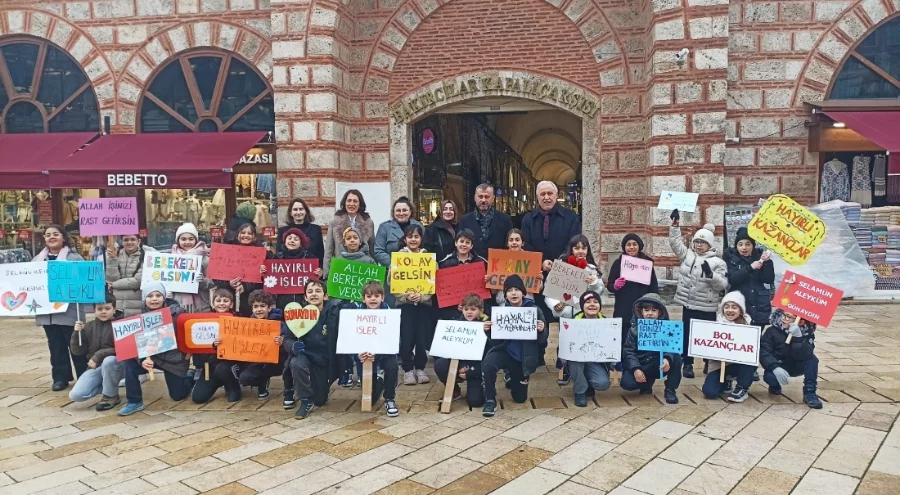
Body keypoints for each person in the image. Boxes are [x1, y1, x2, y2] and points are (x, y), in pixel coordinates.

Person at [119, 282, 191, 416]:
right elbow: (133, 345)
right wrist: (141, 361)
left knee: (178, 396)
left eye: (158, 295)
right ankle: (134, 401)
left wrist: (188, 352)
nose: (154, 299)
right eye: (150, 296)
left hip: (174, 360)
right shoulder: (139, 318)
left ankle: (190, 377)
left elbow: (189, 331)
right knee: (130, 362)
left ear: (164, 297)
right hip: (153, 358)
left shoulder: (177, 313)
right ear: (144, 299)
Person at [670, 216, 727, 379]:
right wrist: (675, 226)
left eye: (702, 243)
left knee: (706, 336)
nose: (699, 245)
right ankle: (687, 363)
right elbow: (675, 244)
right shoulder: (688, 255)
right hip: (688, 304)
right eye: (697, 242)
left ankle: (709, 362)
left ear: (709, 245)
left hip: (707, 306)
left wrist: (711, 275)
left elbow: (722, 284)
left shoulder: (718, 262)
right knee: (687, 334)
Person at [481, 275, 547, 417]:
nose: (513, 293)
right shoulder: (500, 312)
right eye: (509, 290)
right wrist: (488, 330)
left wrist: (542, 330)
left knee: (520, 399)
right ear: (505, 295)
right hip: (505, 352)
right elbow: (496, 341)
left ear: (523, 292)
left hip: (523, 358)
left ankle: (513, 378)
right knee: (488, 363)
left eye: (517, 289)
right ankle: (490, 399)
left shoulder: (535, 311)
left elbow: (543, 341)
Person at [33, 224, 89, 391]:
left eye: (55, 234)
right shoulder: (37, 260)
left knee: (76, 345)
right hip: (47, 312)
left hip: (70, 310)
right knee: (55, 346)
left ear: (63, 237)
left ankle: (84, 377)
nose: (51, 237)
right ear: (44, 239)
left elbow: (84, 282)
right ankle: (60, 378)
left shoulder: (75, 259)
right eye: (48, 234)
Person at [521, 181, 580, 331]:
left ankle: (565, 354)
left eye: (550, 194)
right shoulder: (528, 219)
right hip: (537, 275)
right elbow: (525, 244)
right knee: (538, 321)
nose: (546, 197)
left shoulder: (570, 217)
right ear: (537, 197)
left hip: (564, 275)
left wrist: (557, 262)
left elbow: (574, 242)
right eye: (542, 194)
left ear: (556, 195)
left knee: (566, 321)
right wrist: (541, 262)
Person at [546, 234, 603, 384]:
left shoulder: (591, 269)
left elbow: (598, 293)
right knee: (565, 341)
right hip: (565, 313)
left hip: (584, 315)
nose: (580, 251)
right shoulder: (561, 267)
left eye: (583, 248)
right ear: (571, 249)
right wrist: (554, 305)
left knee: (582, 341)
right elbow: (549, 290)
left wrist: (594, 282)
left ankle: (583, 369)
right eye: (576, 248)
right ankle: (563, 369)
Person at [283, 279, 339, 418]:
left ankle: (313, 390)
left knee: (320, 400)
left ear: (325, 296)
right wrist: (292, 346)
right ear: (305, 297)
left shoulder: (334, 313)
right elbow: (286, 339)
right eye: (310, 291)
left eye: (318, 291)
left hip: (323, 360)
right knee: (296, 363)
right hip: (304, 355)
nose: (314, 294)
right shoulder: (297, 314)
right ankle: (304, 400)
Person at [333, 226, 377, 387]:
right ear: (344, 242)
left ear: (360, 241)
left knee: (362, 342)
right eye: (349, 238)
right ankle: (346, 373)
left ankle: (362, 372)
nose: (352, 240)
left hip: (364, 309)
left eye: (355, 237)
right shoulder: (338, 262)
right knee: (347, 341)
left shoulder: (369, 260)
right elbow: (335, 287)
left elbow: (375, 285)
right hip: (344, 307)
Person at [621, 293, 681, 404]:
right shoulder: (634, 329)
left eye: (654, 310)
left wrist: (667, 358)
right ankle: (646, 383)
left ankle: (670, 390)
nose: (650, 313)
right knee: (627, 384)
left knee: (676, 358)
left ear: (659, 313)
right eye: (647, 310)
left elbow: (673, 347)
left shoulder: (668, 328)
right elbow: (628, 351)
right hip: (642, 363)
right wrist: (636, 369)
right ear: (641, 312)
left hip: (659, 364)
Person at [352, 281, 400, 417]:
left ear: (382, 298)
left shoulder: (390, 315)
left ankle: (390, 398)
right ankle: (378, 380)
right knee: (370, 398)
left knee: (392, 365)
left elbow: (396, 340)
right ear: (363, 299)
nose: (373, 299)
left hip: (385, 355)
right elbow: (349, 339)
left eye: (376, 296)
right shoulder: (355, 315)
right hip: (364, 357)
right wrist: (357, 355)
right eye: (369, 296)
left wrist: (378, 354)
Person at [433, 293, 490, 407]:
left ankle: (482, 387)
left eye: (473, 309)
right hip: (458, 364)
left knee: (476, 402)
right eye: (466, 309)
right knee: (440, 364)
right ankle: (455, 390)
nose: (469, 312)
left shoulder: (486, 327)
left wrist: (471, 371)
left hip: (476, 368)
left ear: (481, 310)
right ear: (461, 309)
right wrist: (460, 367)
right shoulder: (456, 325)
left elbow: (487, 359)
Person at [395, 225, 434, 385]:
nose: (413, 239)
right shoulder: (398, 258)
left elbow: (433, 281)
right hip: (405, 306)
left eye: (416, 236)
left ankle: (420, 368)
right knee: (407, 337)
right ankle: (407, 369)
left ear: (421, 240)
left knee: (421, 338)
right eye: (410, 236)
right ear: (405, 239)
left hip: (423, 306)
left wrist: (423, 297)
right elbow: (393, 282)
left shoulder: (428, 259)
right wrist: (406, 297)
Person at [701, 291, 757, 403]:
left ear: (741, 310)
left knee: (749, 361)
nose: (730, 310)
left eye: (734, 307)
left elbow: (753, 351)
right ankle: (726, 381)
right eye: (726, 307)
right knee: (709, 392)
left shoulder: (749, 325)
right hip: (718, 364)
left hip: (739, 364)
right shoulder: (714, 324)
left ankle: (742, 388)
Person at [761, 309, 823, 409]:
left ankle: (810, 393)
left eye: (789, 317)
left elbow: (807, 354)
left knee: (812, 360)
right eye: (783, 315)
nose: (784, 319)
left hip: (797, 364)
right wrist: (774, 367)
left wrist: (798, 338)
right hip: (779, 364)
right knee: (769, 377)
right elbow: (764, 352)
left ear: (801, 321)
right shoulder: (772, 331)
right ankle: (774, 386)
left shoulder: (807, 332)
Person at [69, 295, 121, 410]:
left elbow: (122, 348)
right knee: (76, 395)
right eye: (100, 309)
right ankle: (108, 385)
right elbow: (77, 351)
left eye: (107, 308)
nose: (103, 312)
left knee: (109, 361)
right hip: (97, 367)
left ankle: (111, 396)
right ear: (94, 310)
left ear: (114, 309)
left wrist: (99, 355)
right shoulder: (88, 326)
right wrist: (77, 334)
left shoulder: (121, 324)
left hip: (120, 365)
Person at [190, 289, 242, 404]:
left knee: (222, 368)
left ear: (231, 304)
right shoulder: (204, 321)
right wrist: (213, 347)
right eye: (218, 300)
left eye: (225, 300)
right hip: (210, 366)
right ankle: (218, 381)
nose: (222, 303)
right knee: (198, 398)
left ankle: (233, 388)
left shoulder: (238, 319)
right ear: (213, 303)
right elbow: (199, 349)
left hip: (228, 364)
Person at [236, 290, 286, 400]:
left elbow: (288, 340)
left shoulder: (279, 324)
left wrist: (283, 341)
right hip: (257, 363)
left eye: (262, 306)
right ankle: (262, 383)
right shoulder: (247, 325)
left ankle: (290, 390)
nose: (259, 309)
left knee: (289, 365)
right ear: (252, 309)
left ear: (269, 308)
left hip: (277, 362)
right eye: (256, 306)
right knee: (244, 378)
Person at [564, 291, 612, 407]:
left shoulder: (608, 324)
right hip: (577, 361)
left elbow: (612, 346)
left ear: (600, 306)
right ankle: (579, 391)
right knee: (575, 359)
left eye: (595, 302)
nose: (592, 304)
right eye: (588, 302)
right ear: (582, 306)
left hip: (596, 361)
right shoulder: (572, 323)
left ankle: (588, 383)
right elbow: (563, 347)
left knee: (603, 384)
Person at [606, 233, 659, 340]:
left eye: (634, 244)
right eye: (628, 244)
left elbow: (654, 285)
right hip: (623, 307)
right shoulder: (618, 263)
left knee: (641, 338)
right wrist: (615, 286)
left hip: (643, 306)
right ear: (624, 247)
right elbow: (610, 285)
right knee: (624, 337)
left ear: (639, 246)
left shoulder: (646, 264)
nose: (631, 247)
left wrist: (654, 302)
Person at [725, 227, 775, 327]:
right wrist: (751, 267)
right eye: (740, 244)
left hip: (758, 307)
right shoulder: (731, 259)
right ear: (736, 246)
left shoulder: (760, 258)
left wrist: (767, 262)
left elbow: (768, 279)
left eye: (748, 244)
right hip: (740, 304)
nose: (744, 248)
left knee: (756, 338)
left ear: (753, 246)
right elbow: (733, 279)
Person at [222, 223, 270, 316]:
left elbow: (268, 279)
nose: (246, 235)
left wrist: (263, 273)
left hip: (253, 299)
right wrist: (229, 283)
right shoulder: (227, 250)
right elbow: (218, 276)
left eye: (249, 233)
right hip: (231, 297)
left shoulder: (263, 253)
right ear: (238, 235)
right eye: (243, 232)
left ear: (254, 237)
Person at [437, 229, 488, 318]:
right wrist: (454, 305)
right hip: (453, 312)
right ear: (456, 243)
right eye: (461, 241)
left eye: (467, 242)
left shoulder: (481, 263)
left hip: (475, 312)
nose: (464, 245)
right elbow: (442, 292)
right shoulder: (445, 263)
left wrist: (488, 280)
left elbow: (486, 290)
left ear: (471, 246)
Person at [270, 227, 322, 310]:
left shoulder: (309, 257)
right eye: (289, 238)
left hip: (304, 301)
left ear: (301, 243)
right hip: (282, 301)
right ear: (285, 242)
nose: (292, 241)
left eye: (296, 239)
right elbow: (269, 280)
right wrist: (264, 273)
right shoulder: (277, 258)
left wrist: (319, 274)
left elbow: (316, 280)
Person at [324, 189, 375, 275]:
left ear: (360, 204)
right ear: (345, 203)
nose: (351, 204)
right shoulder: (335, 222)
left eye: (355, 201)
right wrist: (326, 274)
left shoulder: (368, 222)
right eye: (349, 201)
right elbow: (328, 251)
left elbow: (372, 249)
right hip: (341, 269)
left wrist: (374, 270)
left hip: (362, 269)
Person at [106, 234, 157, 317]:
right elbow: (111, 278)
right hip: (118, 307)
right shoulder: (117, 254)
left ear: (139, 241)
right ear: (122, 242)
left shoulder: (147, 256)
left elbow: (139, 281)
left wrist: (114, 284)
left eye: (133, 239)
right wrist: (112, 259)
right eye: (126, 240)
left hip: (137, 306)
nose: (129, 242)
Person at [458, 184, 513, 260]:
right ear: (475, 198)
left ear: (493, 198)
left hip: (498, 266)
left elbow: (510, 244)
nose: (483, 200)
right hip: (472, 266)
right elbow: (459, 244)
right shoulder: (465, 220)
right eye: (480, 196)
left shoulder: (505, 219)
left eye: (487, 197)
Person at [171, 223, 214, 313]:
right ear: (178, 240)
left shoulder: (205, 259)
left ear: (196, 240)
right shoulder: (171, 258)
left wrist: (202, 281)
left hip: (201, 306)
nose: (187, 242)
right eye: (183, 239)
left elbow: (212, 282)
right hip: (178, 304)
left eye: (191, 239)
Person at [493, 229, 539, 306]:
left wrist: (539, 280)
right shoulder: (499, 259)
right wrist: (490, 280)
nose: (514, 242)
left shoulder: (532, 260)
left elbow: (538, 288)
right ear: (507, 243)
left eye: (517, 240)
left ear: (522, 243)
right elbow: (494, 291)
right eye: (511, 240)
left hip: (526, 301)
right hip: (504, 302)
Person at [278, 198, 325, 265]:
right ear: (290, 213)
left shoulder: (316, 229)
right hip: (288, 271)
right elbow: (278, 255)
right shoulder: (282, 231)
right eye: (295, 210)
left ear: (305, 211)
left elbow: (320, 253)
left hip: (311, 270)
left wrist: (321, 269)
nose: (298, 212)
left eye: (301, 209)